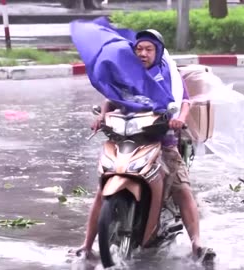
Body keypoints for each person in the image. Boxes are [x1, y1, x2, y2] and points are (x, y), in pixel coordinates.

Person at [72, 29, 216, 262]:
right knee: (102, 189)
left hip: (162, 140)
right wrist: (102, 115)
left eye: (148, 49)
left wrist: (179, 117)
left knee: (181, 188)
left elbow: (184, 101)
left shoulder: (169, 74)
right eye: (139, 48)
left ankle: (197, 244)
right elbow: (112, 97)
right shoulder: (126, 72)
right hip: (126, 138)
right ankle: (86, 245)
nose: (143, 53)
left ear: (157, 52)